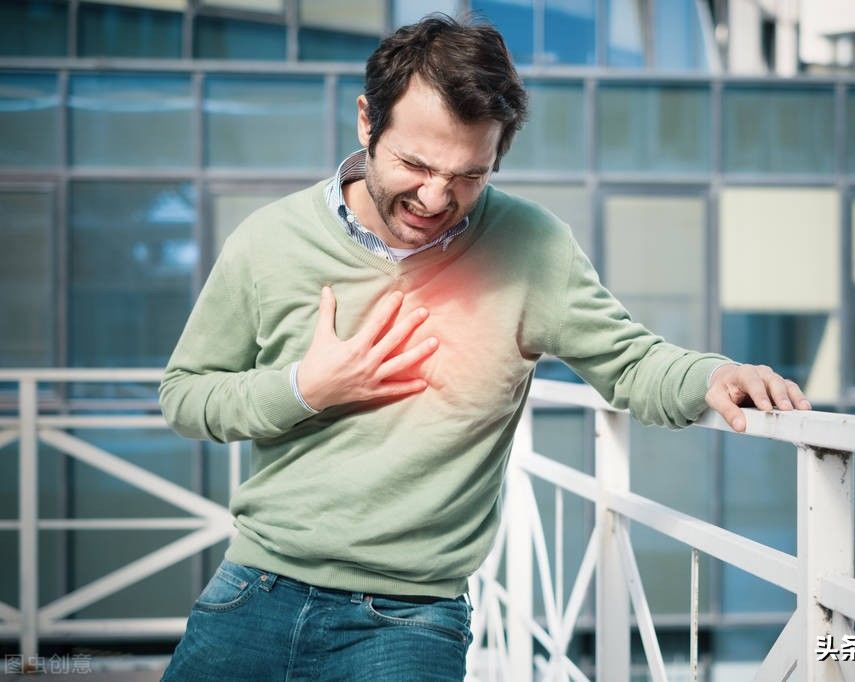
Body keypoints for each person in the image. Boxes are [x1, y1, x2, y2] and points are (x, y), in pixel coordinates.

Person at [158, 14, 811, 682]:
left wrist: (713, 375)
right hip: (255, 587)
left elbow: (630, 361)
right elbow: (184, 396)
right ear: (365, 122)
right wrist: (303, 388)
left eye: (468, 174)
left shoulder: (530, 246)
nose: (435, 197)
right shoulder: (268, 241)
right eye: (414, 163)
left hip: (410, 618)